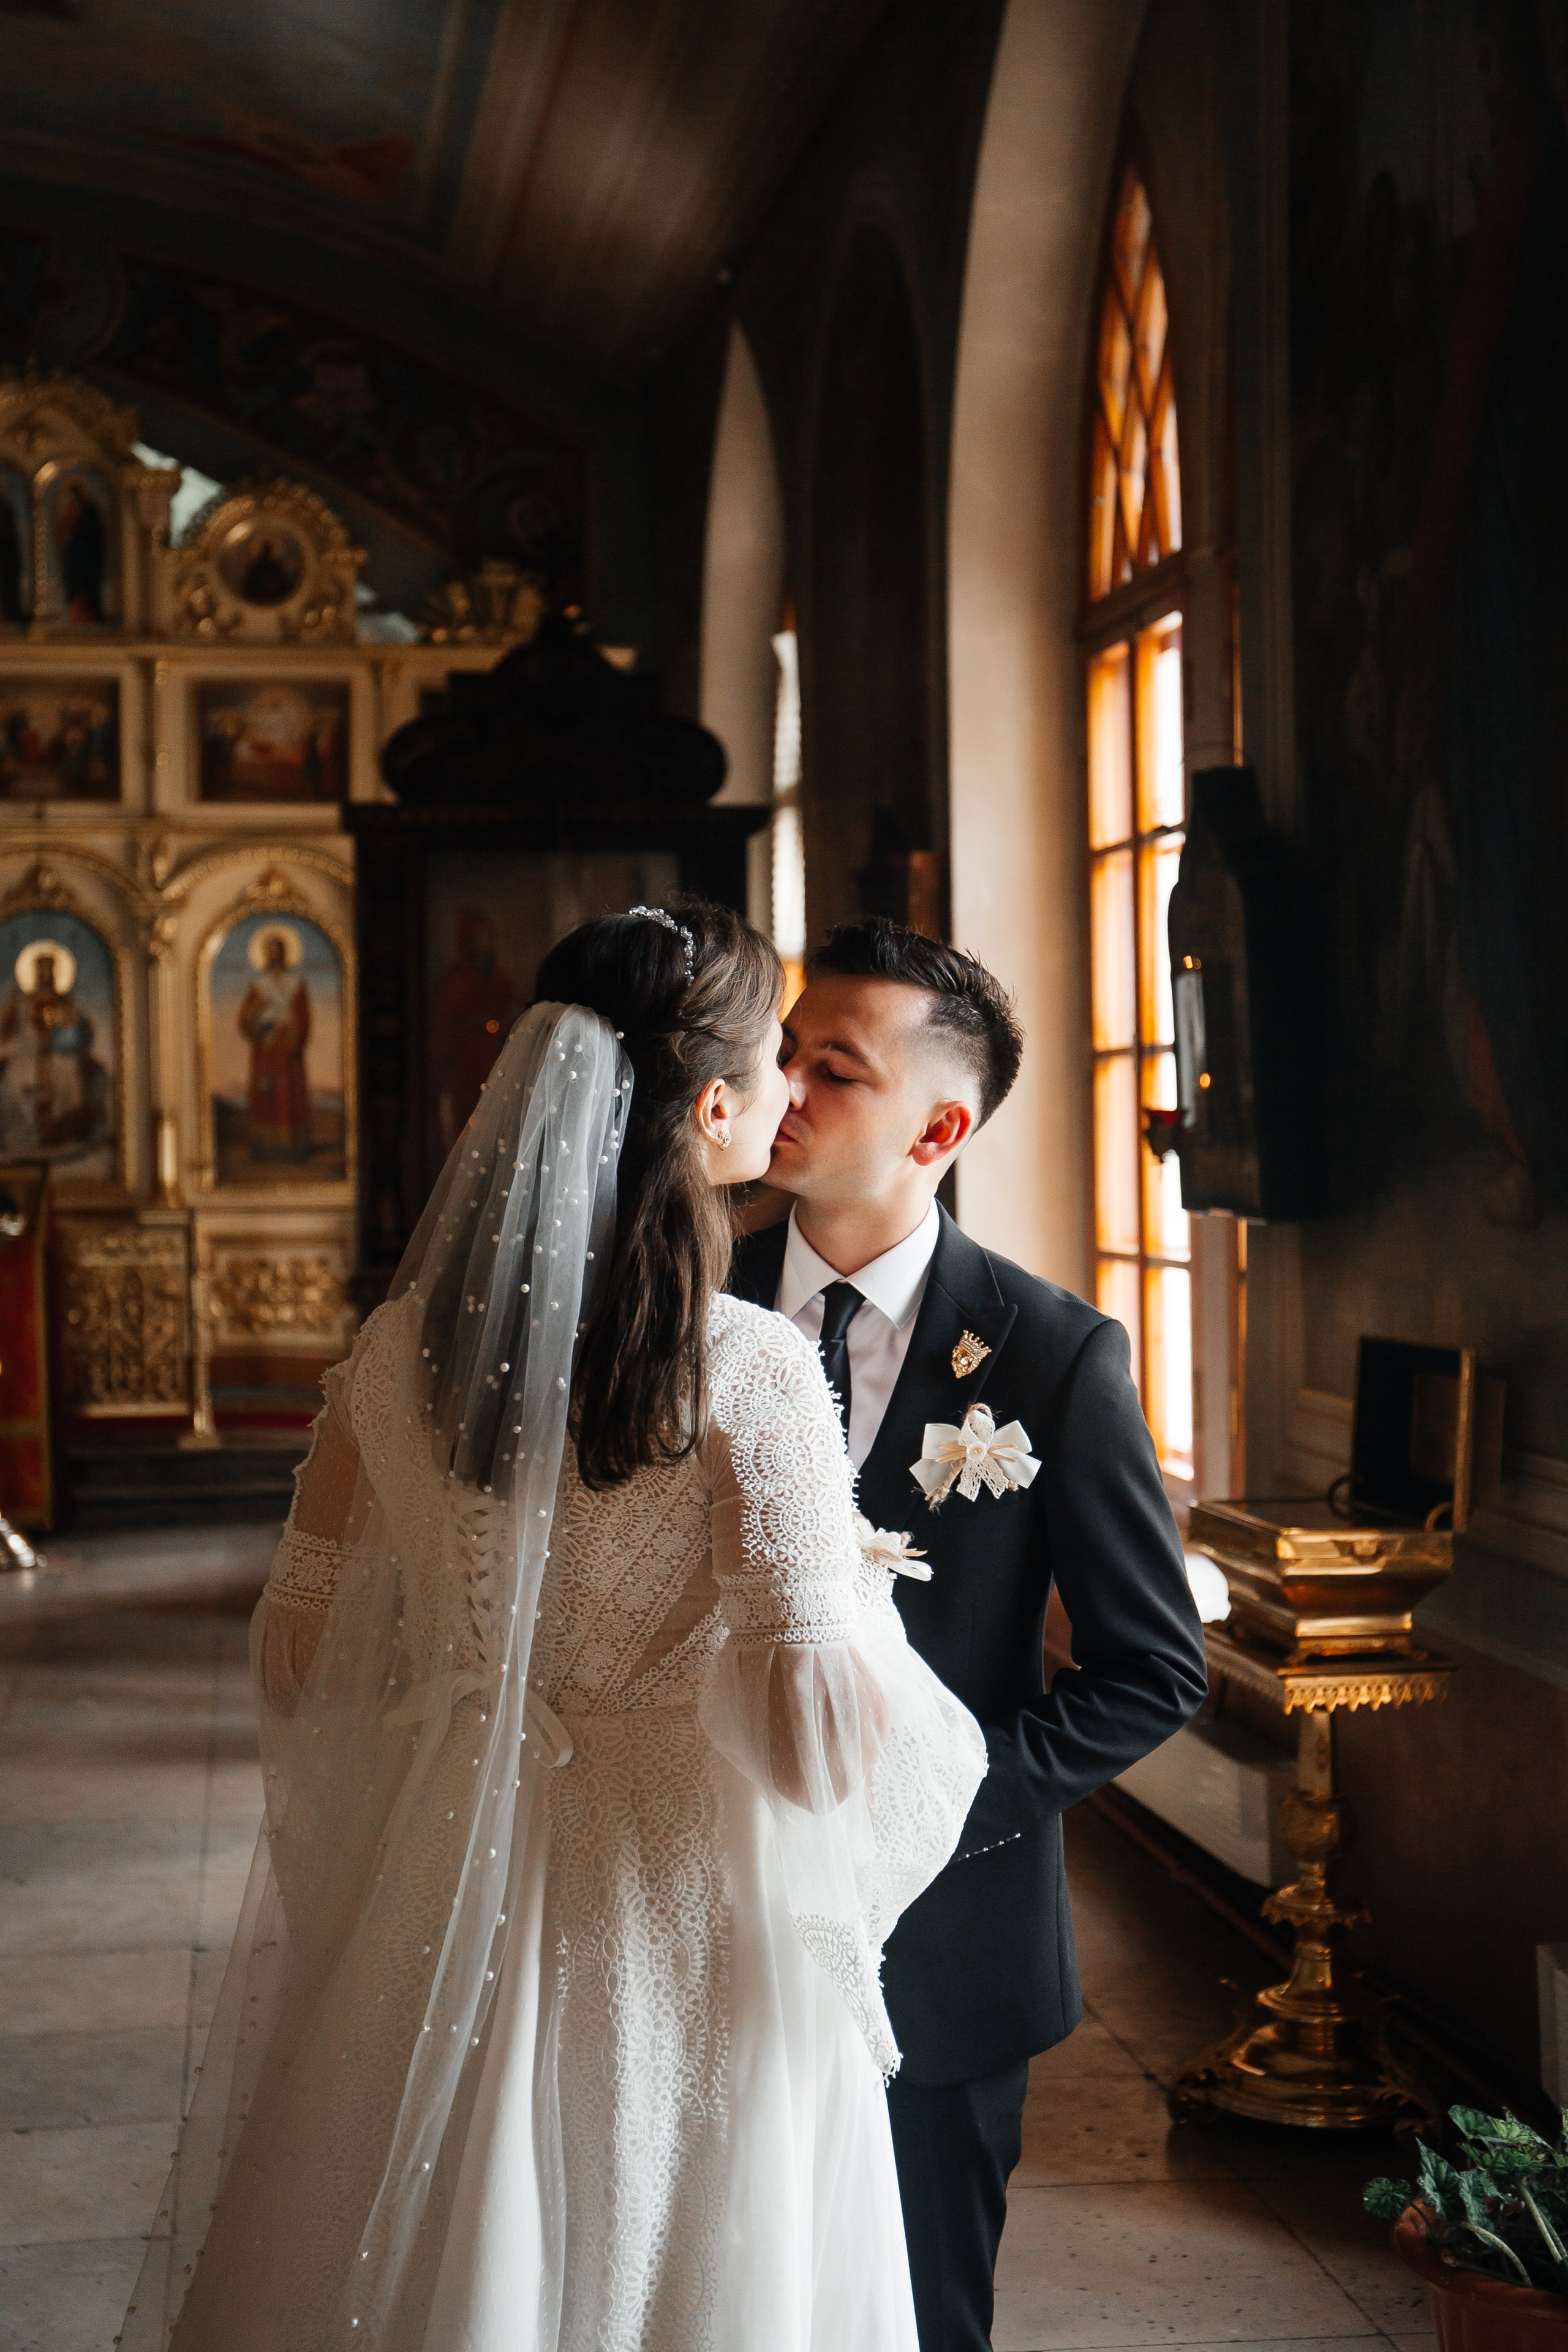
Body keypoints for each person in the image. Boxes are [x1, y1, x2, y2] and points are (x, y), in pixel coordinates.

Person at [123, 901, 986, 2352]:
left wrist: (468, 1685)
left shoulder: (397, 1353)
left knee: (410, 2209)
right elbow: (813, 1747)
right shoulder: (746, 1369)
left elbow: (300, 1643)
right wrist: (848, 1617)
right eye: (776, 1058)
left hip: (447, 1840)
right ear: (710, 1105)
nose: (787, 1087)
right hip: (669, 1888)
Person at [729, 918, 1209, 2352]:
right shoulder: (684, 1298)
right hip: (704, 1907)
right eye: (781, 1052)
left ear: (937, 1123)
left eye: (833, 1065)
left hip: (937, 1940)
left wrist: (939, 1795)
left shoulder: (1051, 1353)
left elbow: (1151, 1667)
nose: (785, 1085)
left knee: (921, 2316)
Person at [239, 929, 314, 1162]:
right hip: (266, 1049)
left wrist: (289, 1025)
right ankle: (264, 1147)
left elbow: (303, 1016)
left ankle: (294, 1148)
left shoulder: (296, 984)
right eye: (269, 953)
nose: (274, 957)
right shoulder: (258, 985)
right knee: (267, 1093)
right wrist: (259, 1013)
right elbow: (245, 1018)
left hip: (288, 1049)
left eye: (277, 952)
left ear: (284, 954)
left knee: (288, 1094)